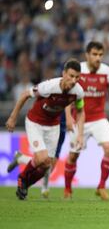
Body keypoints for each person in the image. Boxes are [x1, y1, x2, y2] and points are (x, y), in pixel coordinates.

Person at [5, 59, 85, 200]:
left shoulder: (78, 92)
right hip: (35, 123)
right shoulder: (49, 87)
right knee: (42, 158)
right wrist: (13, 117)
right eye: (71, 76)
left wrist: (80, 133)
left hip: (53, 126)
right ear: (64, 73)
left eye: (77, 77)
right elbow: (25, 94)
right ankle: (22, 178)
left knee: (47, 166)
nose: (73, 80)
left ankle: (24, 183)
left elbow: (80, 110)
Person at [64, 41, 109, 200]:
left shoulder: (108, 72)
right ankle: (67, 189)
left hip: (99, 118)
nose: (98, 58)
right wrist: (68, 117)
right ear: (87, 55)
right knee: (73, 156)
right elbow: (68, 95)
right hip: (78, 119)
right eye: (94, 54)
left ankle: (101, 186)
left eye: (100, 55)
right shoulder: (77, 71)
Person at [7, 111, 67, 198]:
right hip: (51, 125)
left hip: (61, 125)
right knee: (46, 162)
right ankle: (39, 188)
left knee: (49, 165)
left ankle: (21, 160)